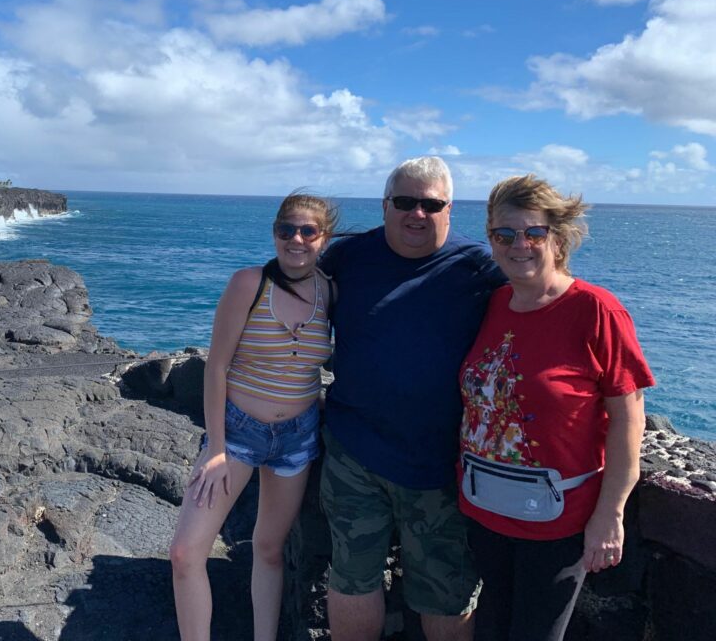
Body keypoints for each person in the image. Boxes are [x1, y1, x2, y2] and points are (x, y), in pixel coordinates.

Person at [457, 174, 653, 641]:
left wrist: (612, 514)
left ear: (558, 238)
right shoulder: (494, 303)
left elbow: (629, 419)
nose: (517, 244)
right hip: (484, 506)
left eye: (533, 232)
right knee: (490, 629)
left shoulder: (597, 310)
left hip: (556, 519)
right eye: (504, 234)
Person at [319, 156, 506, 641]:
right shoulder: (347, 257)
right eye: (405, 201)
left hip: (440, 464)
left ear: (450, 209)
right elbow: (282, 297)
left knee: (446, 592)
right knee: (352, 579)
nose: (416, 213)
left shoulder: (480, 268)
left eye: (431, 203)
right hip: (352, 454)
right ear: (385, 206)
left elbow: (543, 303)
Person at [169, 191, 338, 641]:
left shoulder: (330, 291)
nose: (296, 240)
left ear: (325, 238)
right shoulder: (249, 283)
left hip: (298, 437)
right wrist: (217, 448)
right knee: (186, 553)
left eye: (308, 231)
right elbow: (217, 365)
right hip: (238, 434)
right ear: (274, 233)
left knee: (268, 548)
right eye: (287, 230)